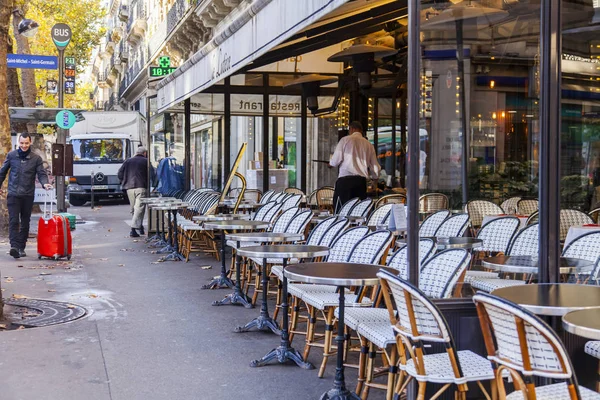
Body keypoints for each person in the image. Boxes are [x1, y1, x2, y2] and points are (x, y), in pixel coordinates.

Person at [0, 132, 53, 258]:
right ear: (18, 142)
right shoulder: (12, 156)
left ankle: (21, 247)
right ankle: (14, 246)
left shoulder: (36, 158)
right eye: (22, 143)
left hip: (28, 195)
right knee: (13, 220)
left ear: (30, 143)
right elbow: (2, 172)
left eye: (26, 143)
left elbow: (41, 174)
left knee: (25, 221)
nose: (24, 145)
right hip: (13, 194)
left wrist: (45, 184)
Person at [329, 121, 380, 213]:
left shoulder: (345, 140)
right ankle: (356, 227)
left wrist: (331, 163)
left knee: (341, 212)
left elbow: (335, 161)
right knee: (358, 213)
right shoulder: (369, 144)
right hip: (360, 183)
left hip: (345, 182)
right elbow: (375, 167)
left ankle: (342, 227)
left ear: (352, 129)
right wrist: (374, 181)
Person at [118, 146, 150, 237]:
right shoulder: (145, 161)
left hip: (129, 188)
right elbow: (153, 174)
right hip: (141, 187)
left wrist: (123, 181)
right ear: (144, 153)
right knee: (139, 208)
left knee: (134, 209)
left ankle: (139, 227)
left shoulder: (128, 161)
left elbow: (120, 173)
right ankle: (133, 229)